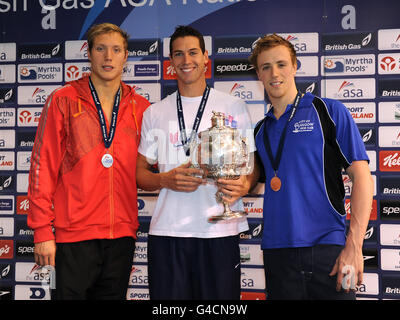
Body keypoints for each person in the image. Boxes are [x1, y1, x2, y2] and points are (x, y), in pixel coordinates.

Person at [27, 23, 150, 300]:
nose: (108, 57)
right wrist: (42, 230)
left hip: (121, 237)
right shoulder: (63, 100)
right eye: (101, 49)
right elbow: (41, 167)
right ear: (89, 53)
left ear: (125, 56)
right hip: (72, 237)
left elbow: (152, 166)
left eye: (116, 50)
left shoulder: (141, 108)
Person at [136, 25, 259, 300]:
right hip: (169, 232)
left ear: (206, 57)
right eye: (178, 54)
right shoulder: (155, 112)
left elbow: (251, 165)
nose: (186, 60)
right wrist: (163, 180)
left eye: (193, 52)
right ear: (170, 64)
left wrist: (245, 184)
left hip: (219, 232)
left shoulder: (233, 106)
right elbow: (140, 174)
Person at [249, 34, 374, 300]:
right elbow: (251, 181)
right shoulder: (260, 131)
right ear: (258, 74)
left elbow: (361, 176)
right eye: (266, 66)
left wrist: (354, 245)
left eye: (281, 64)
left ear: (295, 66)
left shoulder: (328, 111)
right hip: (277, 254)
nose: (275, 73)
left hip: (330, 250)